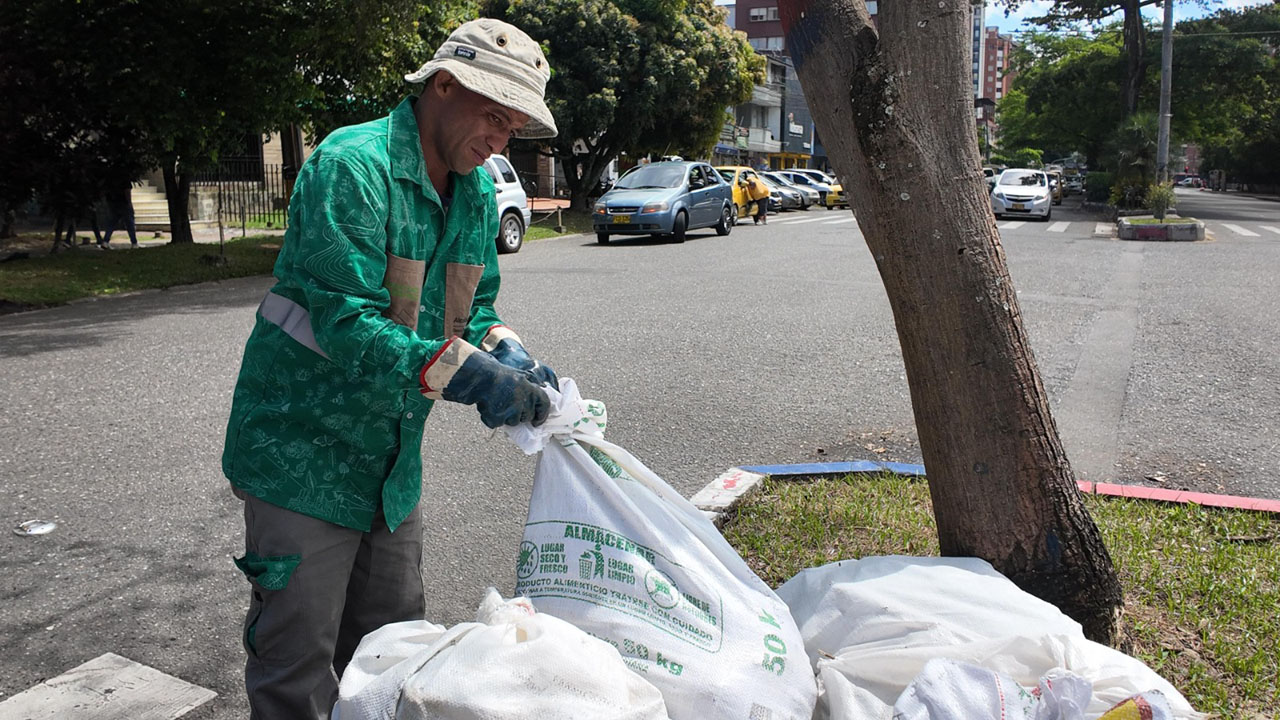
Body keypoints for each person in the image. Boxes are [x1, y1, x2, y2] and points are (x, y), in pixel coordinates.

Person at [220, 18, 560, 719]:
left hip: (390, 473)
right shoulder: (352, 167)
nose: (502, 142)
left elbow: (477, 302)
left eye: (514, 127)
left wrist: (506, 350)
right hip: (300, 462)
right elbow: (347, 323)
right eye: (495, 117)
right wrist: (465, 375)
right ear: (442, 85)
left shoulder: (469, 192)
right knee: (296, 671)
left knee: (394, 659)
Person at [100, 174, 139, 248]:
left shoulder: (111, 178)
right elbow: (127, 192)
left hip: (113, 202)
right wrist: (129, 203)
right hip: (123, 203)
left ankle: (105, 241)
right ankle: (134, 242)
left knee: (112, 222)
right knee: (129, 223)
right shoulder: (125, 179)